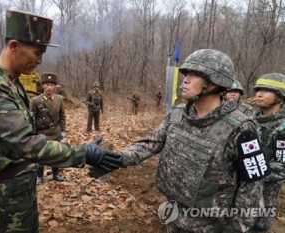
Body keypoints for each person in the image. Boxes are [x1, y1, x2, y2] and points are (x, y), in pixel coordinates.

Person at [0, 10, 122, 232]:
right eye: (37, 53)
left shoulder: (11, 82)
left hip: (20, 186)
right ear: (14, 47)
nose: (40, 61)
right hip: (5, 194)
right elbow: (26, 143)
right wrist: (83, 153)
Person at [89, 49, 269, 232]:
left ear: (215, 82)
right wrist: (119, 158)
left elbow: (252, 186)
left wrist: (237, 228)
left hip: (212, 227)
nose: (186, 80)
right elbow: (150, 143)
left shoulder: (241, 129)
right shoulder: (178, 114)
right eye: (186, 74)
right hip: (173, 217)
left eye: (194, 75)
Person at [247, 73, 285, 232]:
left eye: (266, 91)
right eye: (258, 90)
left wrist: (250, 172)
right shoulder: (250, 120)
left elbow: (281, 167)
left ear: (280, 97)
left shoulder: (282, 127)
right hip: (240, 194)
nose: (259, 94)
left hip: (264, 198)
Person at [31, 72, 66, 183]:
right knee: (40, 155)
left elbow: (62, 116)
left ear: (55, 87)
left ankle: (55, 174)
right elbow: (31, 119)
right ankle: (40, 176)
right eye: (47, 85)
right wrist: (33, 133)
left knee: (55, 154)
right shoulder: (35, 101)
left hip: (55, 131)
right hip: (42, 133)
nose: (49, 88)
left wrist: (62, 130)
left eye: (51, 85)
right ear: (43, 86)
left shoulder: (59, 99)